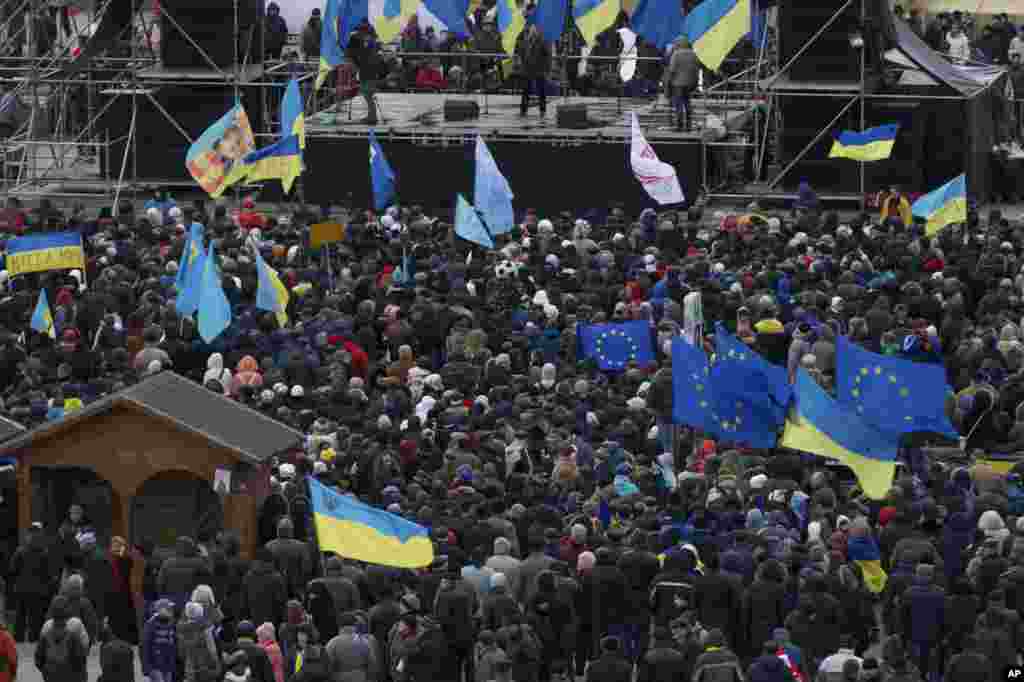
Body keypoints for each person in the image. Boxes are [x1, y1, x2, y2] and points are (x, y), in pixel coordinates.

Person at [35, 596, 90, 682]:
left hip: (51, 676)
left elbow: (38, 658)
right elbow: (83, 654)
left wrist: (46, 672)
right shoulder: (75, 628)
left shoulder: (46, 629)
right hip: (72, 677)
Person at [346, 21, 384, 125]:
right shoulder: (369, 40)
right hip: (367, 69)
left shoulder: (367, 41)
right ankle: (371, 115)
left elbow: (364, 55)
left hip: (368, 69)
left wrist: (355, 61)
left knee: (367, 93)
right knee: (367, 93)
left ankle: (372, 116)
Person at [516, 25, 550, 119]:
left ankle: (542, 111)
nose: (533, 31)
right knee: (526, 91)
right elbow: (521, 53)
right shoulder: (525, 41)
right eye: (532, 29)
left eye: (535, 30)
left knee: (541, 91)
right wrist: (522, 65)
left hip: (539, 70)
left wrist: (546, 69)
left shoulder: (543, 42)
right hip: (527, 69)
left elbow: (547, 56)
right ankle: (523, 110)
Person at [665, 37, 698, 132]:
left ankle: (679, 126)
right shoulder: (693, 54)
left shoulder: (676, 54)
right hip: (689, 83)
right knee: (687, 104)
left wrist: (668, 82)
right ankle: (688, 125)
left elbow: (672, 70)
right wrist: (695, 82)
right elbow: (696, 69)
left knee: (678, 105)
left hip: (678, 83)